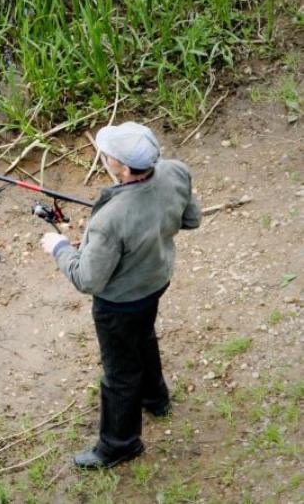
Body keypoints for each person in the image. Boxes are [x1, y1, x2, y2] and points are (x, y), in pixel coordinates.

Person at [39, 121, 202, 469]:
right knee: (142, 337)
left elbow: (87, 279)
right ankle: (155, 398)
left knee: (119, 372)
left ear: (125, 169)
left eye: (108, 156)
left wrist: (60, 247)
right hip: (156, 283)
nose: (103, 158)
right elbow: (191, 220)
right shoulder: (176, 172)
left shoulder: (109, 221)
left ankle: (119, 444)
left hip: (119, 305)